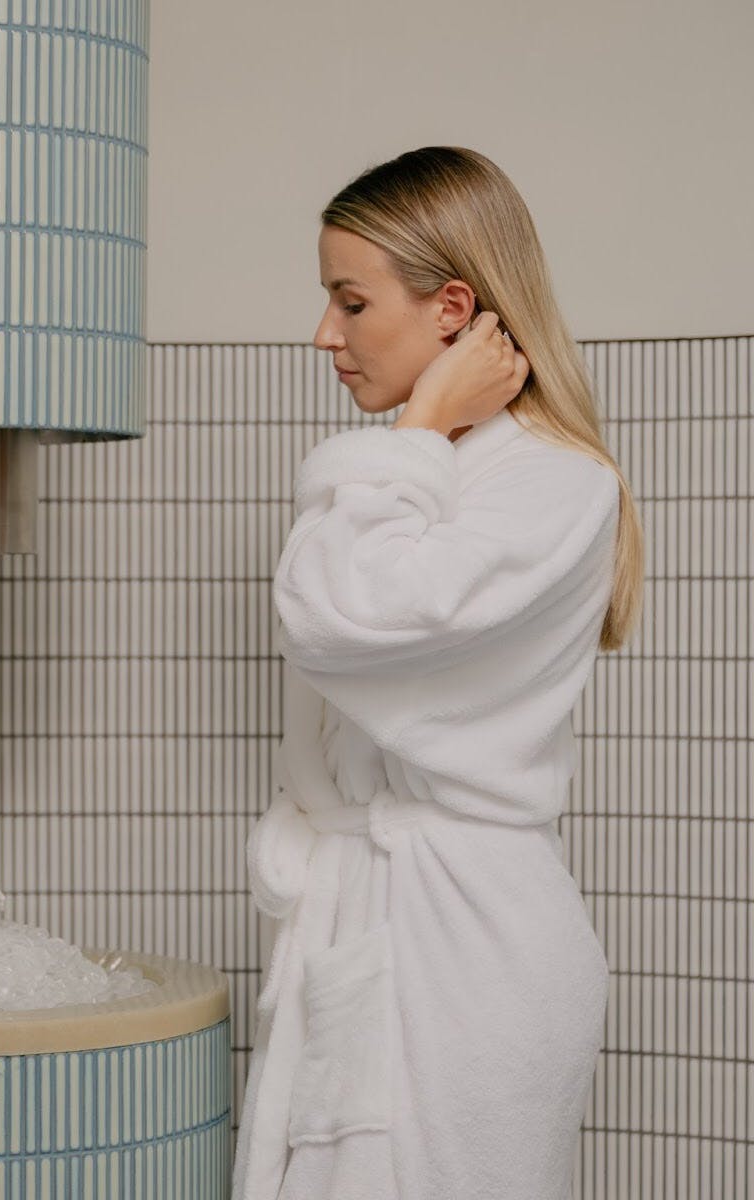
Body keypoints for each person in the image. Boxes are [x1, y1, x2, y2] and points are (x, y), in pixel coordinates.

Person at [234, 147, 642, 1200]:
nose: (325, 334)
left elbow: (338, 617)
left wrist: (411, 431)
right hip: (387, 925)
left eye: (350, 301)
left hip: (466, 956)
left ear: (452, 308)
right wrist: (413, 446)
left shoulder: (552, 485)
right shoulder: (431, 477)